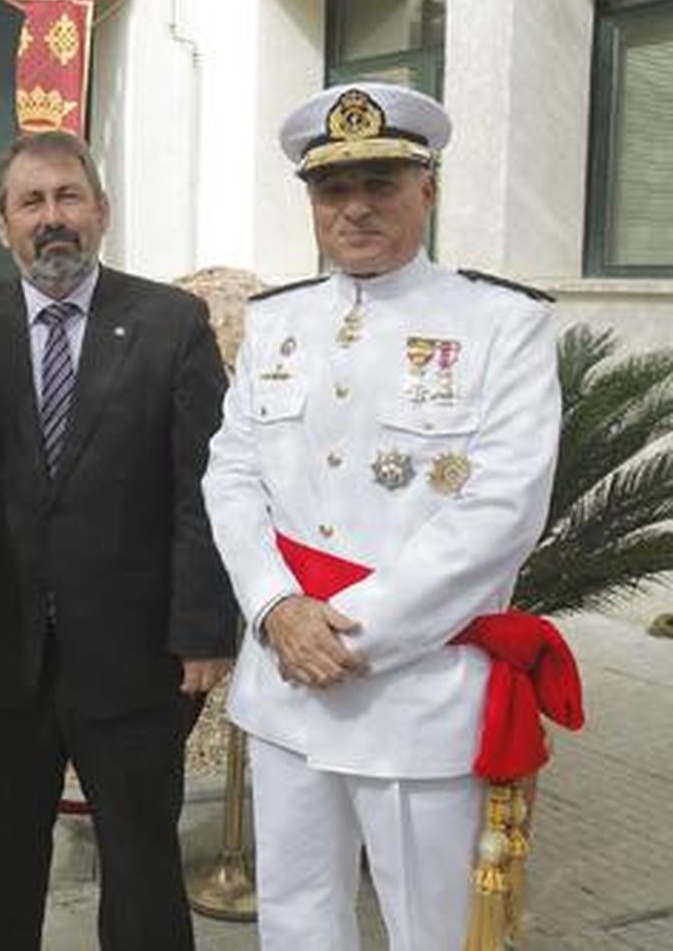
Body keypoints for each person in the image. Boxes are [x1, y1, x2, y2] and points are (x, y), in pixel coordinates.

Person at [202, 82, 561, 950]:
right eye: (334, 189)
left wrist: (348, 638)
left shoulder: (500, 325)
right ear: (313, 201)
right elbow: (232, 470)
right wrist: (277, 610)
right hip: (287, 681)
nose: (356, 208)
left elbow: (503, 509)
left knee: (430, 927)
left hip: (416, 687)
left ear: (426, 191)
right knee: (294, 916)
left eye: (382, 185)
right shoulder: (278, 322)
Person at [0, 129, 238, 950]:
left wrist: (203, 630)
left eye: (68, 197)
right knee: (10, 857)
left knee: (141, 866)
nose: (51, 218)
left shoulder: (171, 323)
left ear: (102, 210)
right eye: (31, 202)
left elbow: (209, 488)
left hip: (137, 663)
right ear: (1, 223)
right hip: (2, 658)